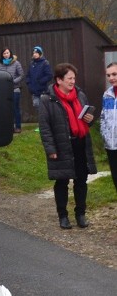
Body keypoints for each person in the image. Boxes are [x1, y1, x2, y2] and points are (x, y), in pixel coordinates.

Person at [38, 62, 96, 229]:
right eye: (69, 78)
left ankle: (80, 214)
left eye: (74, 78)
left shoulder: (80, 95)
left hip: (80, 144)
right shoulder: (47, 100)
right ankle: (63, 216)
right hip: (61, 146)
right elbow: (45, 127)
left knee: (81, 181)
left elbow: (87, 119)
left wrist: (90, 120)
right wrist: (50, 149)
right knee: (62, 182)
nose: (73, 81)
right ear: (59, 80)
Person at [100, 59, 117, 194]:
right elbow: (104, 117)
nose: (111, 78)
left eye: (114, 74)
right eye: (109, 75)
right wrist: (105, 136)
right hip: (111, 146)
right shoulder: (107, 95)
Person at [0, 47, 24, 132]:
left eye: (7, 53)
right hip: (5, 90)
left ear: (10, 54)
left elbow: (21, 75)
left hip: (15, 89)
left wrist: (13, 81)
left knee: (15, 108)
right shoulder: (0, 64)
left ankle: (18, 127)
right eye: (4, 53)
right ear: (2, 55)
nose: (6, 55)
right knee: (7, 109)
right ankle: (10, 127)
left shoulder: (16, 63)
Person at [25, 45, 53, 109]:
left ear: (40, 54)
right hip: (34, 91)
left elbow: (49, 75)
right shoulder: (32, 64)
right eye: (33, 53)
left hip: (42, 90)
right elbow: (28, 75)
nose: (34, 54)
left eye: (36, 53)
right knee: (36, 106)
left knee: (43, 108)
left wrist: (41, 81)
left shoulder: (45, 63)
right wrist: (29, 84)